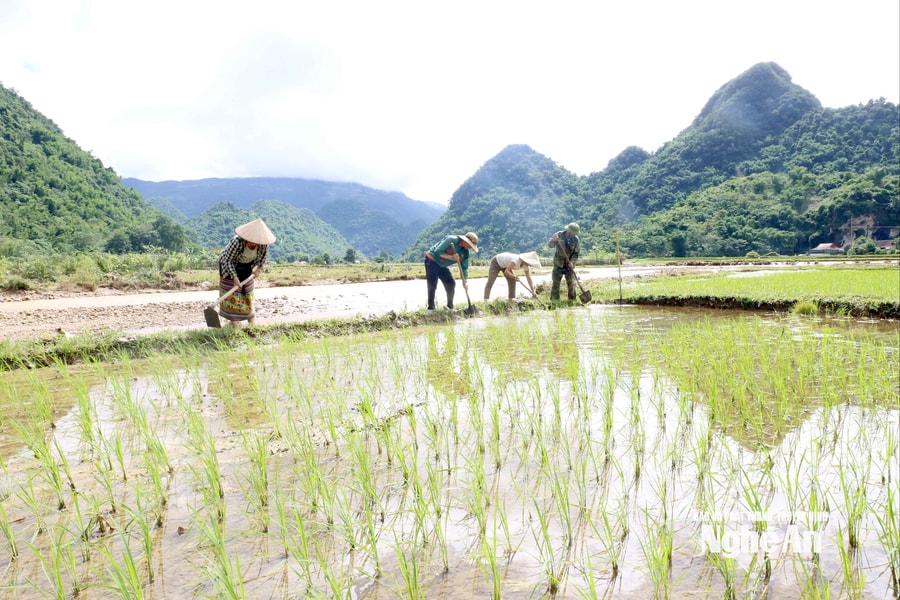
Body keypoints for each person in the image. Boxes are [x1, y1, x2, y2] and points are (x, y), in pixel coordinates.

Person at [218, 218, 276, 325]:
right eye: (252, 240)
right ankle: (234, 322)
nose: (254, 243)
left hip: (246, 267)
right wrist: (235, 277)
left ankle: (251, 322)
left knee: (247, 292)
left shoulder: (263, 245)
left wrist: (258, 269)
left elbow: (261, 260)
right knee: (232, 294)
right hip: (229, 266)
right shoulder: (237, 242)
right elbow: (228, 261)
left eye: (256, 241)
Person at [424, 231, 479, 311]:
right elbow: (437, 252)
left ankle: (449, 307)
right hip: (432, 260)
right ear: (465, 240)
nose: (469, 247)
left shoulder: (465, 253)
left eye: (471, 247)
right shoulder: (451, 240)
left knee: (451, 283)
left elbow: (464, 268)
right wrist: (451, 257)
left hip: (442, 265)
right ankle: (431, 308)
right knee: (432, 284)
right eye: (469, 245)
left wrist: (465, 282)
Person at [548, 222, 581, 301]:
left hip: (569, 265)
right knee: (556, 283)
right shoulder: (559, 235)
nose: (574, 235)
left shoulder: (576, 240)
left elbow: (576, 254)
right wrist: (553, 240)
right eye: (573, 233)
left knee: (571, 284)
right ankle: (554, 301)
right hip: (558, 264)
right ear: (569, 231)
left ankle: (572, 300)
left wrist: (572, 263)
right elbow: (550, 245)